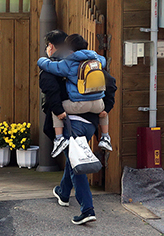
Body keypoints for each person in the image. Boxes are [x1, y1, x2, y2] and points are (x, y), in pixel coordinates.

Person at [39, 30, 117, 225]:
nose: (47, 48)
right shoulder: (91, 63)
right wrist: (104, 109)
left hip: (71, 123)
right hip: (91, 122)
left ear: (54, 47)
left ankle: (88, 209)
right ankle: (63, 193)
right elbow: (111, 83)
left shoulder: (58, 66)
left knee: (77, 163)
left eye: (48, 45)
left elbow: (51, 94)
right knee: (74, 157)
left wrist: (58, 111)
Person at [38, 34, 112, 158]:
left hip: (79, 104)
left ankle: (59, 138)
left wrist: (42, 59)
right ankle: (105, 137)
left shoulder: (69, 63)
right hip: (98, 104)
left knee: (56, 109)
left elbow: (50, 66)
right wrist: (106, 108)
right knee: (103, 111)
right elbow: (104, 63)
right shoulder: (97, 60)